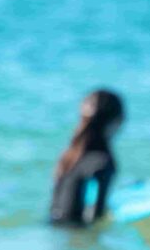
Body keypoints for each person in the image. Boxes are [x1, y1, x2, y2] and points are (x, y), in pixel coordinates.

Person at [49, 89, 125, 226]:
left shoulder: (70, 155)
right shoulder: (103, 161)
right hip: (74, 231)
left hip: (52, 226)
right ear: (117, 121)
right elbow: (95, 215)